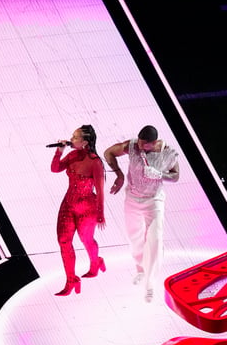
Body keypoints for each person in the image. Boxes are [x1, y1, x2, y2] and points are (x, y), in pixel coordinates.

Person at [103, 125, 179, 302]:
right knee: (134, 237)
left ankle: (150, 284)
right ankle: (140, 268)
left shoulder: (167, 152)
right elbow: (109, 153)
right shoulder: (132, 146)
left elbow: (175, 176)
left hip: (153, 201)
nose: (140, 146)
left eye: (145, 144)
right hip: (132, 199)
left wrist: (159, 174)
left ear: (153, 143)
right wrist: (119, 175)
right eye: (140, 142)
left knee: (154, 239)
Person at [50, 124, 106, 296]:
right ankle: (71, 280)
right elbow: (55, 169)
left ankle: (96, 262)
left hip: (87, 208)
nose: (71, 140)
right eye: (72, 137)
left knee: (86, 239)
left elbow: (100, 189)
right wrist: (59, 152)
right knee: (63, 241)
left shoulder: (95, 162)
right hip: (68, 204)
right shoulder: (72, 155)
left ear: (85, 142)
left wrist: (101, 213)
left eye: (75, 137)